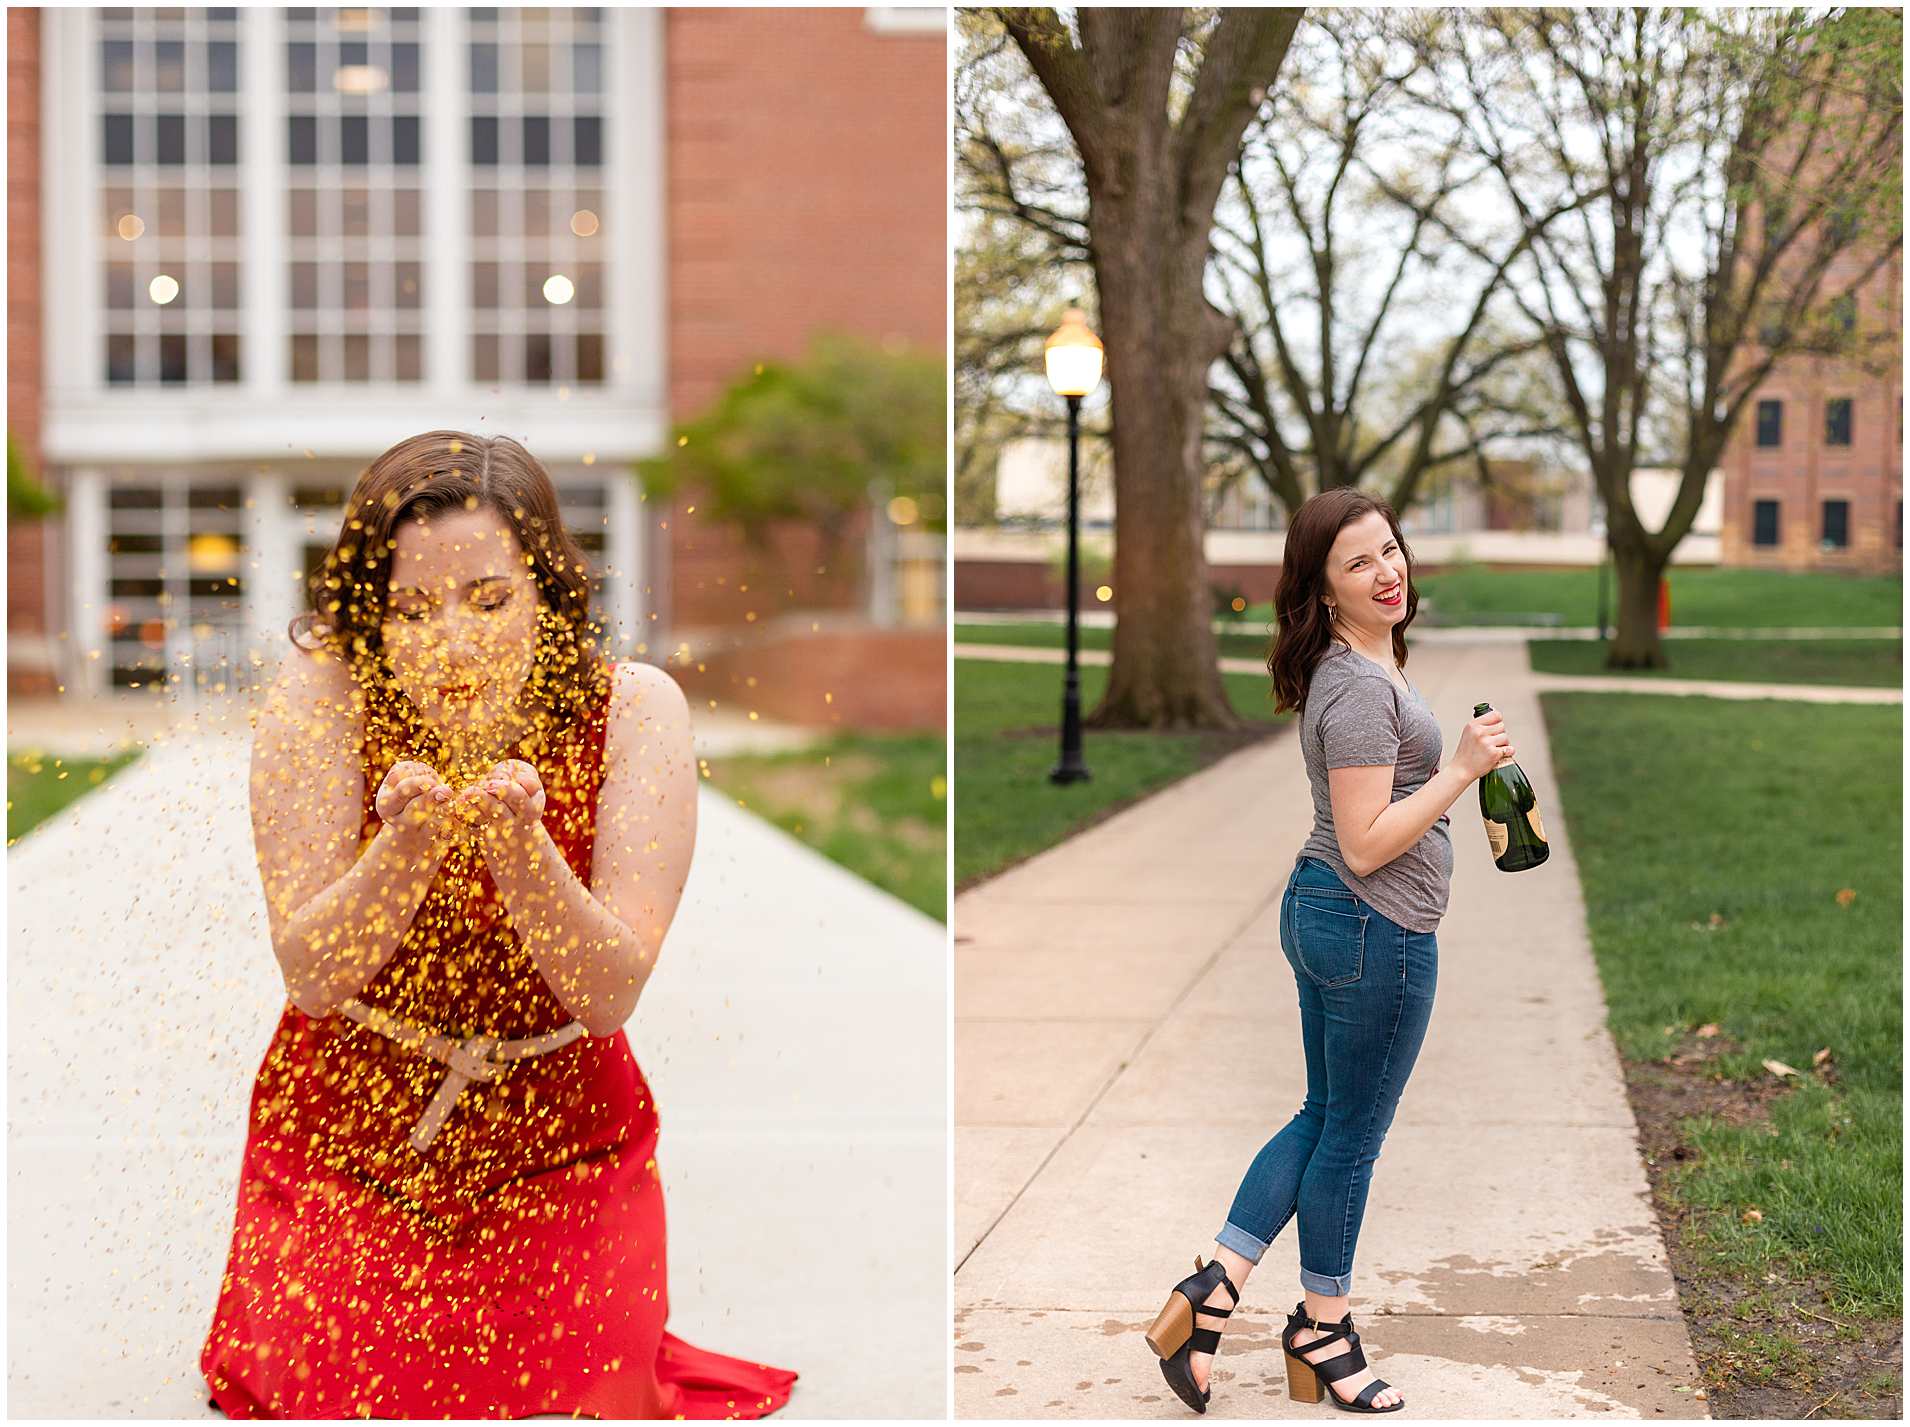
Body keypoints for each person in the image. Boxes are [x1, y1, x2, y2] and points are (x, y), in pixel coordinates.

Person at [200, 431, 797, 1419]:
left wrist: (524, 850)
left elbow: (607, 995)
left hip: (562, 1143)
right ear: (367, 615)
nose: (454, 640)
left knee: (580, 1398)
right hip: (348, 1141)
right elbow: (311, 975)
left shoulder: (634, 708)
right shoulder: (323, 695)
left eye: (487, 599)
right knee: (314, 1392)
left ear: (547, 592)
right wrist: (401, 847)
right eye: (409, 607)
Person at [1143, 487, 1515, 1415]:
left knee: (1324, 1114)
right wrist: (1461, 769)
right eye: (1358, 562)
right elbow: (1364, 840)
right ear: (1322, 589)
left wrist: (1458, 777)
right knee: (1350, 1134)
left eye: (1390, 550)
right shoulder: (1353, 687)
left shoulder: (1365, 663)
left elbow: (1384, 808)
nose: (1387, 571)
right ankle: (1322, 1330)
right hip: (1367, 921)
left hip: (1339, 917)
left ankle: (1210, 1294)